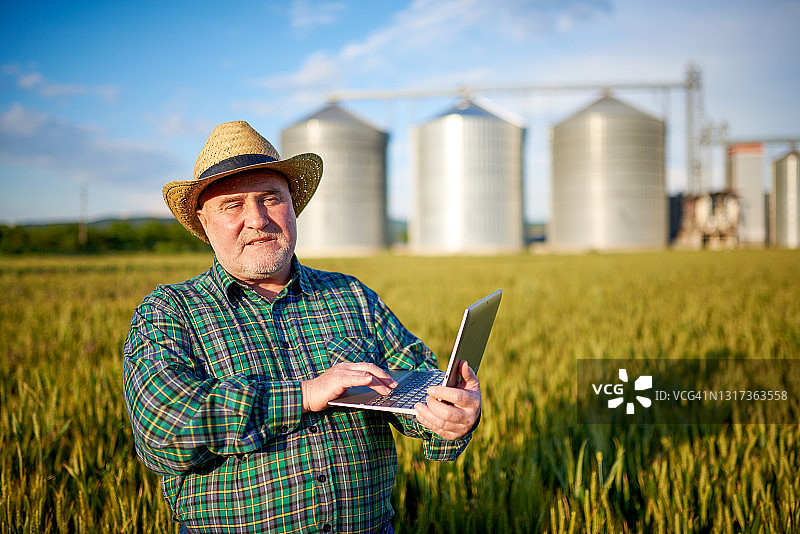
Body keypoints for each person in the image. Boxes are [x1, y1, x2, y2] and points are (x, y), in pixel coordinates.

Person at [123, 120, 481, 534]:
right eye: (233, 205)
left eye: (270, 198)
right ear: (204, 222)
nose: (257, 219)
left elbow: (417, 383)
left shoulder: (351, 295)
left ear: (293, 206)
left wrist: (450, 418)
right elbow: (162, 431)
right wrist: (306, 394)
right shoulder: (169, 311)